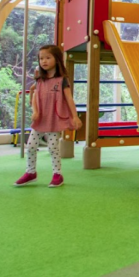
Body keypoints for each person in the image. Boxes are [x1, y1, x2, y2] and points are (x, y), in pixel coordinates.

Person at [15, 44, 81, 188]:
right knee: (31, 146)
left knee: (53, 147)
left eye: (47, 58)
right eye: (41, 58)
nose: (43, 61)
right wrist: (35, 111)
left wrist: (75, 116)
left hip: (54, 119)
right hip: (40, 119)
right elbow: (35, 97)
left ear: (57, 59)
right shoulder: (40, 80)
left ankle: (57, 174)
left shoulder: (62, 80)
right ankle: (30, 172)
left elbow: (69, 99)